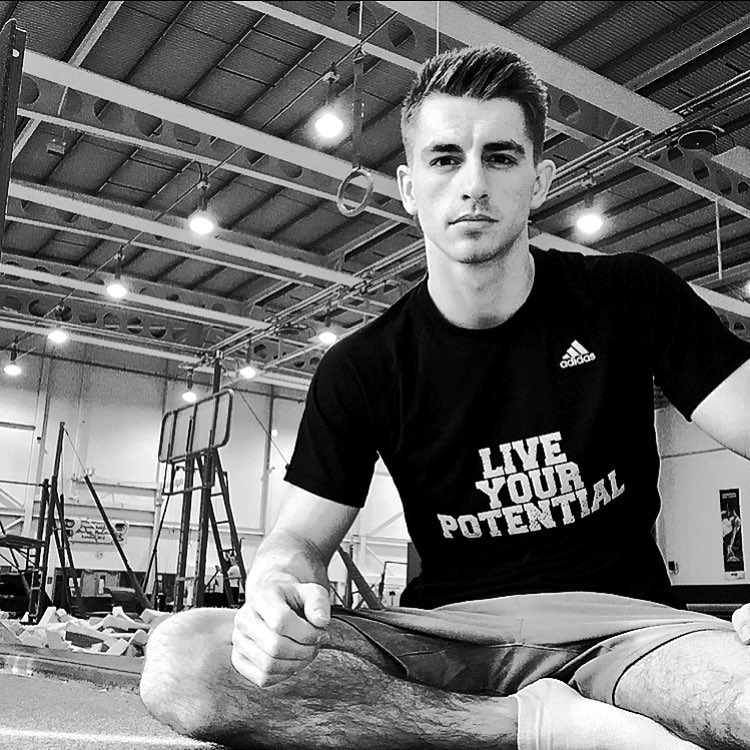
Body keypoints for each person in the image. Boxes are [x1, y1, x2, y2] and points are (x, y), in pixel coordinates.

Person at [140, 45, 750, 750]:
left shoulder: (631, 296)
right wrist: (276, 583)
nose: (473, 185)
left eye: (500, 157)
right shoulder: (363, 366)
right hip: (445, 642)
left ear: (540, 179)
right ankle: (539, 729)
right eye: (445, 159)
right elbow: (300, 539)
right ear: (408, 186)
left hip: (630, 630)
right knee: (185, 662)